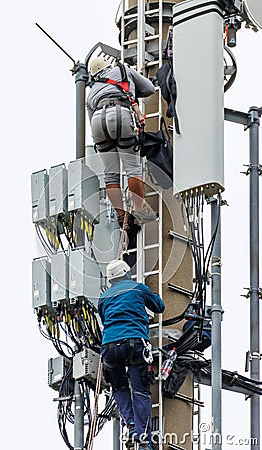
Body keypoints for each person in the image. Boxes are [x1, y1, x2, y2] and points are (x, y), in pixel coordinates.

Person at [98, 259, 165, 450]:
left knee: (119, 388)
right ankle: (143, 438)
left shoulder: (103, 298)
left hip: (109, 347)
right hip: (134, 342)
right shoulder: (138, 288)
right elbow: (159, 307)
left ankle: (132, 425)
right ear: (126, 273)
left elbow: (105, 320)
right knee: (140, 390)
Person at [86, 56, 157, 228]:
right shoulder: (122, 71)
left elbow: (90, 118)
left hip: (97, 122)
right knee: (132, 167)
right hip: (120, 113)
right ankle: (139, 211)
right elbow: (150, 89)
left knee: (110, 174)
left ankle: (120, 215)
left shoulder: (91, 92)